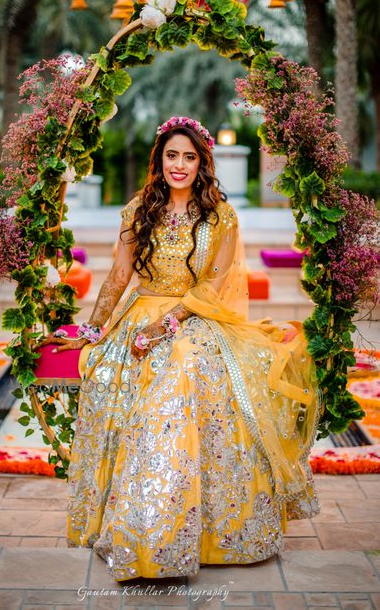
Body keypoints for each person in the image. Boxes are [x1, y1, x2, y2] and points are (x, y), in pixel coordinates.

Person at [44, 116, 320, 582]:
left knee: (184, 367)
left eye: (189, 157)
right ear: (159, 159)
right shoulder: (138, 210)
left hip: (194, 318)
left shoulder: (220, 217)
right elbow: (117, 276)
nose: (179, 164)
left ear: (202, 164)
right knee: (115, 370)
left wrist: (166, 325)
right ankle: (141, 527)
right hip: (138, 310)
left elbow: (213, 286)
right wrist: (93, 329)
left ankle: (181, 531)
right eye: (172, 155)